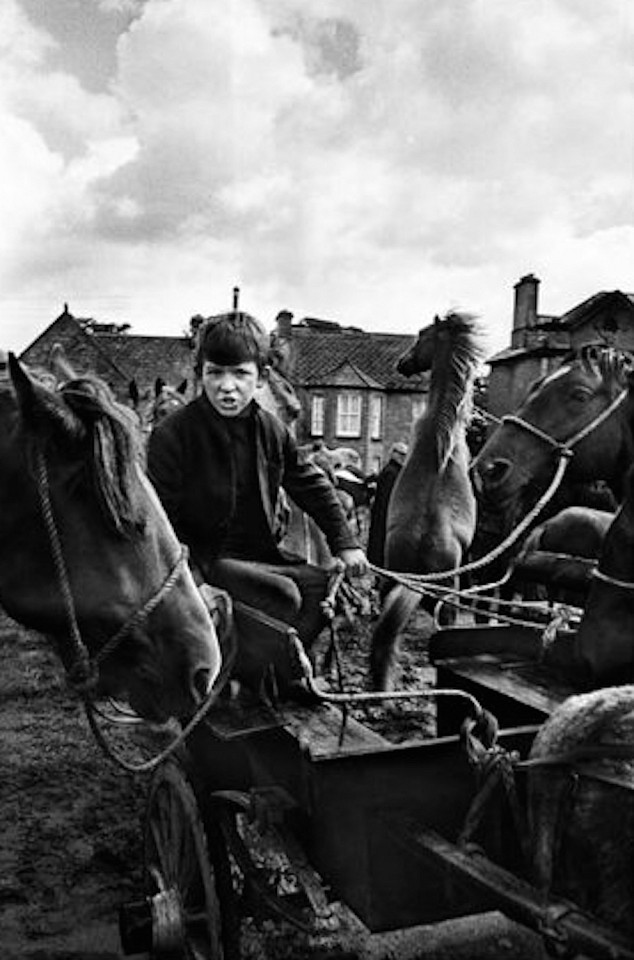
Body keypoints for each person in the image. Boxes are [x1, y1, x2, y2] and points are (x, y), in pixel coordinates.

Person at [147, 310, 368, 695]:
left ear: (261, 378)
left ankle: (275, 672)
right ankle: (244, 675)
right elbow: (162, 525)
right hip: (202, 559)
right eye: (215, 373)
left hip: (260, 554)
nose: (227, 387)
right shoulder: (173, 435)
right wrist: (194, 582)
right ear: (201, 373)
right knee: (284, 596)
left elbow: (311, 485)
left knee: (319, 588)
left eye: (241, 374)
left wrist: (345, 544)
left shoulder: (270, 429)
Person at [366, 441, 408, 567]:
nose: (404, 457)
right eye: (401, 454)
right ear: (394, 454)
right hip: (386, 515)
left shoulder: (392, 470)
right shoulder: (392, 472)